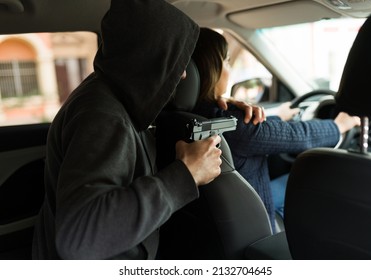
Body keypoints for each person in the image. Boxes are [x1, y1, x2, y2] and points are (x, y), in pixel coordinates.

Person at [32, 0, 264, 260]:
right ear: (151, 56)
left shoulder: (110, 94)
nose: (184, 75)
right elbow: (80, 238)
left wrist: (215, 101)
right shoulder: (104, 117)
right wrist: (186, 174)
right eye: (174, 58)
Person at [191, 27, 361, 232]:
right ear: (210, 69)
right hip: (257, 227)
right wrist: (340, 125)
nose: (231, 69)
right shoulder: (230, 123)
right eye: (227, 61)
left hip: (217, 222)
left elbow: (257, 132)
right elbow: (298, 135)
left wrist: (277, 114)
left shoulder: (179, 117)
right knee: (314, 179)